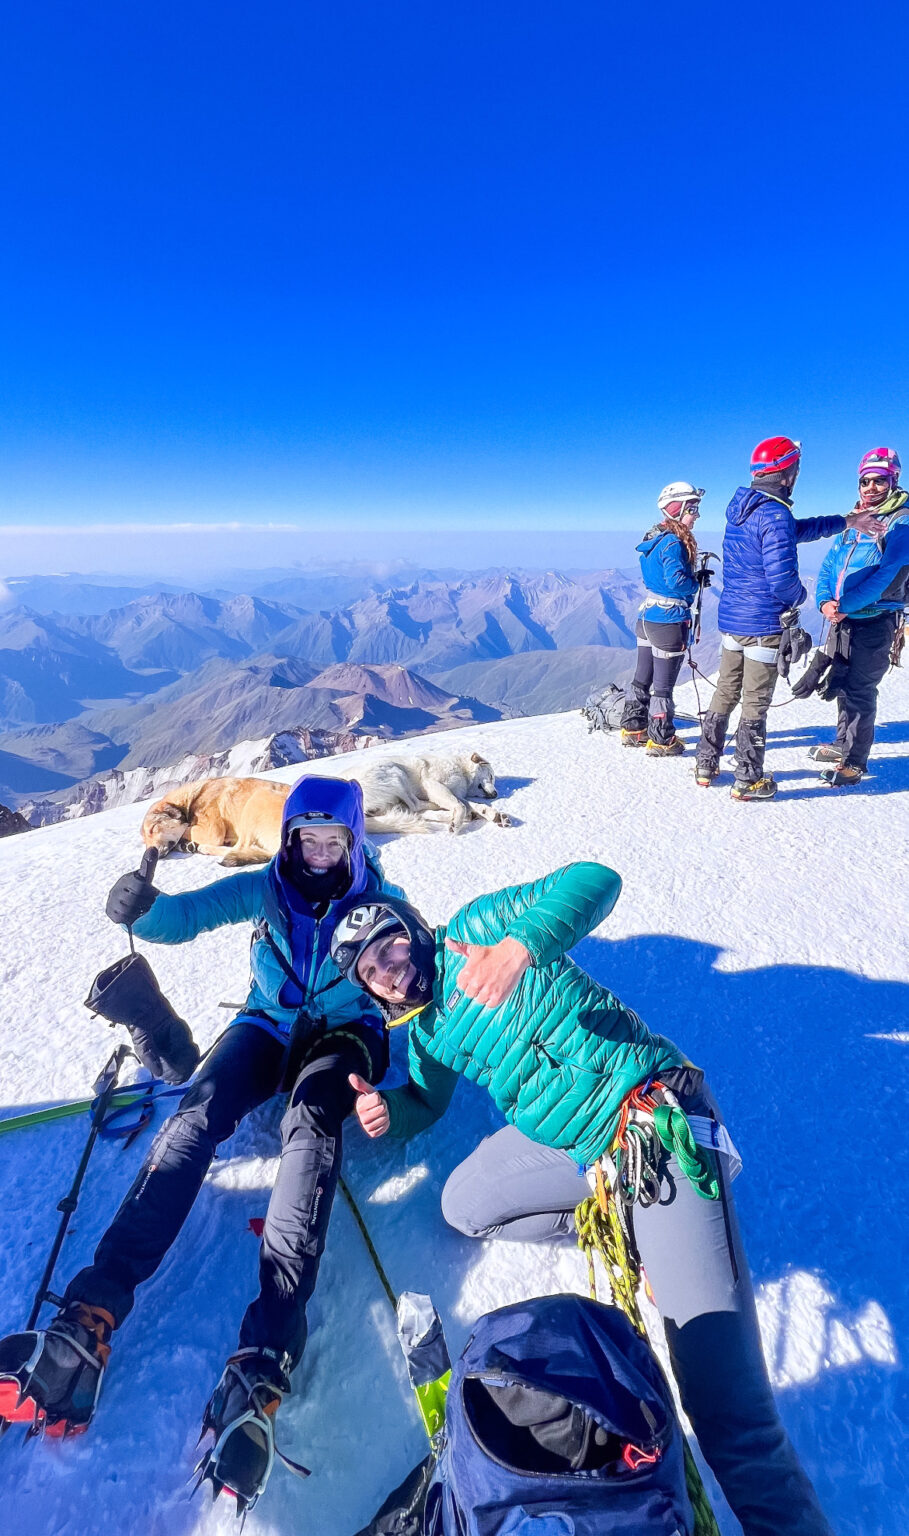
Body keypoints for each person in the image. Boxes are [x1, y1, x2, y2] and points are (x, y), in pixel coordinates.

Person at [331, 869, 834, 1536]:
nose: (390, 971)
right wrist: (384, 1111)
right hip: (579, 1151)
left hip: (651, 1123)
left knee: (726, 1414)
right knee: (465, 1203)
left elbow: (595, 880)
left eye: (390, 946)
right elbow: (424, 1100)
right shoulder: (424, 1035)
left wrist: (518, 949)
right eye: (371, 970)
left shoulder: (480, 929)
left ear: (413, 929)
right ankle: (636, 1225)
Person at [0, 775, 398, 1515]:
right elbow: (187, 917)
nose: (314, 855)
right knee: (191, 1120)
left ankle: (267, 1348)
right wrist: (142, 912)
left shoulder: (379, 904)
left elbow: (410, 994)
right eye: (303, 840)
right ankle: (88, 1315)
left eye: (330, 842)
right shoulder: (269, 887)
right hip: (268, 1028)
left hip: (342, 1038)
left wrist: (390, 1081)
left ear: (354, 843)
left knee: (308, 1138)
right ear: (286, 841)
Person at [694, 436, 871, 800]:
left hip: (733, 621)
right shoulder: (775, 513)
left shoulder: (746, 510)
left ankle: (706, 763)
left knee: (727, 691)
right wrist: (801, 598)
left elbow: (791, 531)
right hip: (763, 626)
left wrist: (845, 521)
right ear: (787, 473)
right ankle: (748, 778)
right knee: (755, 701)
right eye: (796, 469)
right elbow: (781, 578)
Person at [810, 447, 909, 786]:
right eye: (864, 481)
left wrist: (844, 605)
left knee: (861, 689)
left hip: (876, 619)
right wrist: (825, 600)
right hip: (845, 616)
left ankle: (854, 762)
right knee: (842, 684)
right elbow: (827, 565)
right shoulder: (855, 519)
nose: (869, 488)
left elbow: (887, 573)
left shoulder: (902, 521)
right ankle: (842, 744)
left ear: (893, 481)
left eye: (878, 481)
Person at [620, 481, 706, 757]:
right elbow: (677, 581)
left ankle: (633, 728)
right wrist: (696, 583)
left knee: (641, 677)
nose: (696, 514)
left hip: (646, 617)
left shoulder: (653, 540)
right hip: (669, 621)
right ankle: (661, 739)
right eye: (692, 508)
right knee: (663, 688)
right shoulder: (673, 543)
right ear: (676, 509)